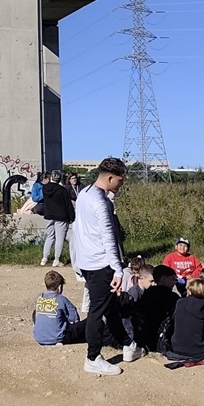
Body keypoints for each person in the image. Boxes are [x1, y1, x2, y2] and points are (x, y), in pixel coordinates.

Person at [71, 157, 143, 376]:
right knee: (97, 311)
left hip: (87, 262)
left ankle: (128, 345)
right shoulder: (102, 203)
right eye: (120, 181)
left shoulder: (83, 194)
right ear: (110, 178)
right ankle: (92, 357)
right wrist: (118, 270)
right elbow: (108, 238)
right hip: (101, 264)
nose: (121, 185)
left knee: (110, 306)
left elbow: (78, 230)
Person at [133, 265, 180, 353]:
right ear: (163, 279)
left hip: (145, 337)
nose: (175, 283)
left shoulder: (146, 294)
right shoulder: (171, 297)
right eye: (173, 279)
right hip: (164, 338)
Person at [33, 270, 87, 346]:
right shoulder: (62, 299)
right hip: (59, 337)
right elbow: (75, 319)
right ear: (60, 287)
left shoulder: (40, 297)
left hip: (39, 338)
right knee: (87, 322)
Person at [39, 170, 75, 268]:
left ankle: (44, 258)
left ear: (51, 178)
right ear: (59, 178)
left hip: (48, 215)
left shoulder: (45, 188)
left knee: (50, 236)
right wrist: (72, 216)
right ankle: (56, 260)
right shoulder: (62, 190)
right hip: (61, 216)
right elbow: (68, 205)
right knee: (59, 238)